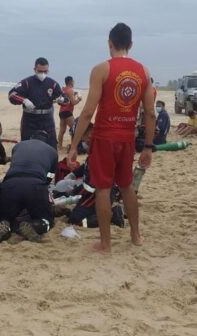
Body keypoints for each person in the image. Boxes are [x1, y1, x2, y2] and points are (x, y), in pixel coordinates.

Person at [68, 22, 156, 252]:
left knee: (103, 189)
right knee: (127, 186)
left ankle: (106, 243)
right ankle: (136, 235)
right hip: (128, 137)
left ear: (109, 43)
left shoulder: (102, 69)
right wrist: (148, 146)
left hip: (105, 137)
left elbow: (87, 112)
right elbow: (150, 113)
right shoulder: (144, 72)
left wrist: (74, 145)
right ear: (130, 44)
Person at [0, 130, 58, 242]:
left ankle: (4, 224)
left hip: (10, 184)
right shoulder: (52, 152)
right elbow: (50, 177)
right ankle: (35, 225)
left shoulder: (18, 146)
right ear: (46, 142)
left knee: (5, 216)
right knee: (47, 219)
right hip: (35, 184)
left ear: (30, 138)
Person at [8, 57, 68, 149]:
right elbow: (12, 95)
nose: (42, 74)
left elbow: (66, 99)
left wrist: (62, 100)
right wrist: (24, 100)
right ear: (35, 69)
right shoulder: (27, 82)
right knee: (27, 147)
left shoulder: (53, 84)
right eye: (40, 71)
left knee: (51, 147)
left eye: (45, 72)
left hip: (47, 120)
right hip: (30, 120)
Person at [57, 76, 82, 149]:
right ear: (71, 82)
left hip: (61, 112)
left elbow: (67, 97)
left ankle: (60, 146)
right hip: (67, 112)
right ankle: (74, 146)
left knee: (62, 130)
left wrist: (73, 94)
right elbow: (73, 102)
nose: (74, 82)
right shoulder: (70, 90)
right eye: (73, 81)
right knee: (74, 129)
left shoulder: (63, 89)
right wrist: (79, 99)